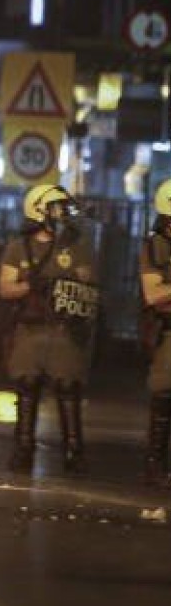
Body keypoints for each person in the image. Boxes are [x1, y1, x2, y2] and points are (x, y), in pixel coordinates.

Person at [0, 184, 99, 474]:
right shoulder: (20, 246)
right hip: (31, 328)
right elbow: (5, 288)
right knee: (27, 385)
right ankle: (23, 448)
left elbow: (89, 285)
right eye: (56, 207)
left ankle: (73, 450)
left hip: (66, 329)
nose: (62, 213)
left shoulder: (78, 245)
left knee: (68, 387)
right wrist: (32, 286)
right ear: (39, 210)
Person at [140, 179, 171, 484]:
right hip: (168, 333)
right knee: (164, 395)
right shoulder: (155, 247)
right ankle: (155, 465)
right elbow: (153, 294)